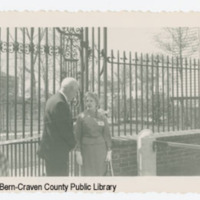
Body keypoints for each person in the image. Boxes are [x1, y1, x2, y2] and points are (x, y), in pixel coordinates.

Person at [37, 77, 79, 176]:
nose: (75, 95)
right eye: (75, 91)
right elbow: (64, 130)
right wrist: (74, 143)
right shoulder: (60, 103)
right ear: (70, 89)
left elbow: (58, 123)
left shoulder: (52, 99)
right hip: (57, 152)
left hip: (51, 150)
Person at [75, 92, 112, 176]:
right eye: (87, 101)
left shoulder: (102, 117)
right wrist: (78, 153)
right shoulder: (81, 117)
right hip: (87, 151)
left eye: (91, 101)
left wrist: (109, 151)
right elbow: (77, 137)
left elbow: (106, 134)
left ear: (96, 103)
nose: (89, 103)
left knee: (100, 174)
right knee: (88, 175)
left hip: (101, 150)